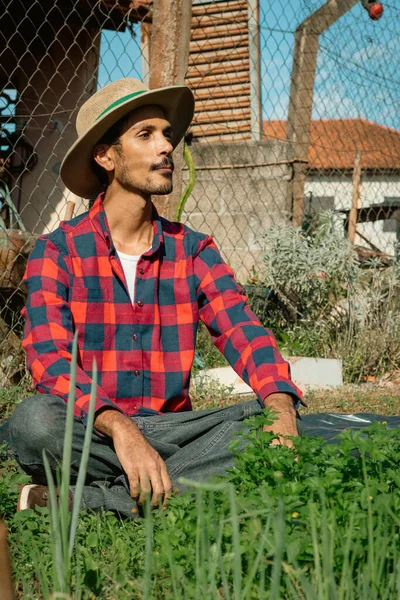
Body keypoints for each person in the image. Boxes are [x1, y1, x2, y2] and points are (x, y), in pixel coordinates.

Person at [9, 78, 303, 518]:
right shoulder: (58, 250)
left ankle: (90, 499)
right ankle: (176, 481)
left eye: (167, 134)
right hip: (93, 427)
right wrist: (121, 429)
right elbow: (50, 359)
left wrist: (280, 404)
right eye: (145, 135)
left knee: (286, 426)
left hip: (176, 430)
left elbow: (244, 331)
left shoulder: (194, 250)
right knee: (33, 423)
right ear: (106, 156)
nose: (165, 146)